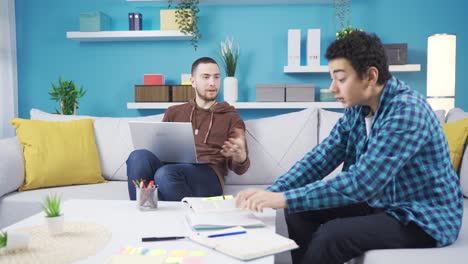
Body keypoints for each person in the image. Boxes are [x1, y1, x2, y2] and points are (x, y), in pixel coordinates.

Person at [235, 31, 463, 264]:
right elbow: (321, 157)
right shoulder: (358, 108)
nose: (333, 88)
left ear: (370, 76)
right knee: (297, 211)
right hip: (382, 201)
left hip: (421, 216)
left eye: (341, 79)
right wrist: (274, 191)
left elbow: (361, 183)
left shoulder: (406, 112)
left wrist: (284, 197)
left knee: (332, 236)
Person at [127, 57, 250, 201]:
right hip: (170, 168)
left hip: (209, 174)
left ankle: (162, 204)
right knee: (138, 156)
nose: (212, 83)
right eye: (206, 77)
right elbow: (159, 149)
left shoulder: (231, 116)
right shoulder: (174, 112)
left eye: (216, 77)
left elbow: (240, 168)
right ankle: (143, 210)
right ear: (193, 81)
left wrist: (240, 157)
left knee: (165, 175)